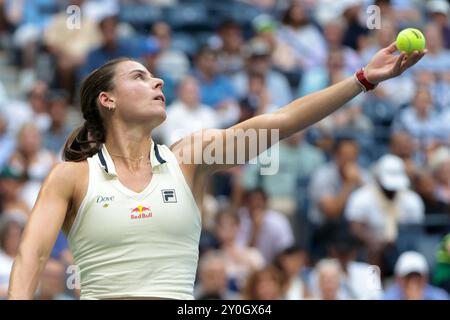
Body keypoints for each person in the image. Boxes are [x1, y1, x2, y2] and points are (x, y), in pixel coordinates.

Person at [8, 42, 426, 299]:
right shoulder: (72, 175)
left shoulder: (190, 157)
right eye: (140, 77)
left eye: (156, 77)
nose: (158, 83)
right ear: (108, 100)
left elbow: (281, 121)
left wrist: (363, 79)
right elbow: (32, 255)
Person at [383, 251, 450, 300]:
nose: (413, 284)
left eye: (418, 278)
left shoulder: (440, 296)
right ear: (398, 279)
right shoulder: (386, 297)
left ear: (425, 278)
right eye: (408, 278)